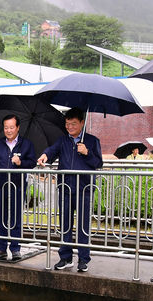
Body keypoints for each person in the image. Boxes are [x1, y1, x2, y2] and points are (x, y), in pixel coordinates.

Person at [38, 107, 103, 272]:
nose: (69, 127)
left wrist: (86, 152)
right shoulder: (63, 140)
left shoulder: (92, 140)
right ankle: (65, 257)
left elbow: (98, 164)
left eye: (73, 124)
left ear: (82, 122)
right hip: (65, 187)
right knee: (65, 223)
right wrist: (45, 155)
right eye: (67, 124)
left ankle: (83, 259)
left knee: (83, 225)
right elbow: (52, 151)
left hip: (84, 188)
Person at [0, 114, 36, 260]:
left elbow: (32, 162)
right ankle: (1, 248)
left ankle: (15, 249)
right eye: (6, 127)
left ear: (18, 128)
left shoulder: (26, 144)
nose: (8, 130)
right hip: (1, 185)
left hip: (18, 186)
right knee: (1, 217)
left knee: (15, 218)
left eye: (11, 127)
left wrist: (21, 163)